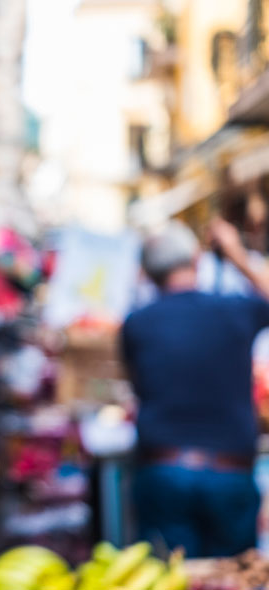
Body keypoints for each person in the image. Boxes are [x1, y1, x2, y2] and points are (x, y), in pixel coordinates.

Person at [121, 217, 269, 557]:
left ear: (149, 273)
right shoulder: (236, 309)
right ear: (196, 260)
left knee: (169, 577)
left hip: (163, 475)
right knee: (233, 577)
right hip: (229, 477)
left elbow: (138, 386)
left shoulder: (137, 323)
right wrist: (237, 255)